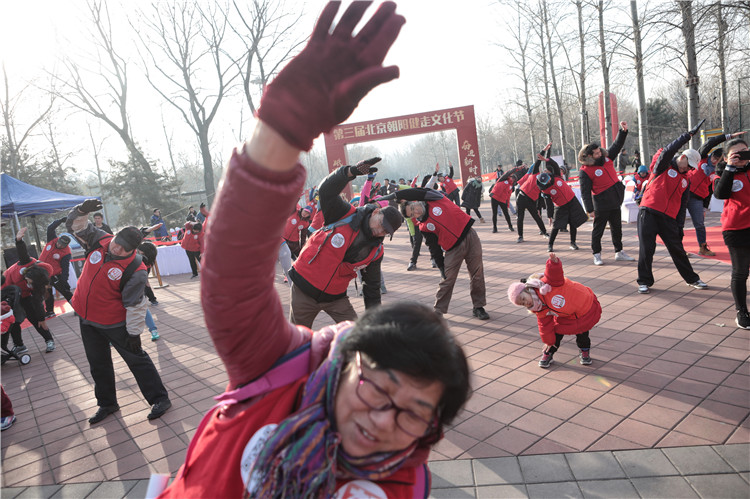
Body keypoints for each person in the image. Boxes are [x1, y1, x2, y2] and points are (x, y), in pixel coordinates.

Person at [154, 3, 470, 497]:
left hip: (337, 299)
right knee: (297, 320)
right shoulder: (276, 369)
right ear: (350, 363)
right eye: (378, 388)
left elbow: (371, 294)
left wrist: (376, 318)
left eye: (413, 414)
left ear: (432, 429)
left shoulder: (401, 485)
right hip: (304, 287)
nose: (381, 421)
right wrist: (284, 129)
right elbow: (234, 278)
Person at [66, 199, 171, 423]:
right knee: (98, 363)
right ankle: (107, 403)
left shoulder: (136, 270)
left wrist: (133, 334)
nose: (116, 248)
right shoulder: (101, 240)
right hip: (87, 318)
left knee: (137, 359)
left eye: (123, 248)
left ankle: (159, 399)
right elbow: (76, 226)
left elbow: (135, 305)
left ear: (133, 249)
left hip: (114, 323)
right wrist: (82, 210)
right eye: (116, 242)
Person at [288, 157, 403, 329]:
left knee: (357, 337)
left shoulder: (376, 251)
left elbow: (371, 288)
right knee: (296, 342)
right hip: (303, 290)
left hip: (336, 298)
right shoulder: (345, 214)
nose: (381, 231)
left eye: (386, 232)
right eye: (381, 224)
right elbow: (325, 191)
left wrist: (374, 322)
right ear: (376, 212)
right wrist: (349, 172)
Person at [395, 187, 490, 320]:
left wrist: (398, 194)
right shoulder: (424, 226)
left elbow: (419, 191)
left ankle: (478, 307)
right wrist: (440, 266)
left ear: (414, 202)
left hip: (470, 236)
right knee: (447, 278)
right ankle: (438, 311)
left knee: (477, 273)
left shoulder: (434, 199)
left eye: (413, 207)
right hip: (453, 249)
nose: (416, 211)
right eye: (412, 214)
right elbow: (434, 248)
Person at [636, 122, 709, 294]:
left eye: (692, 168)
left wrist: (680, 226)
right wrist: (687, 136)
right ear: (682, 157)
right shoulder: (664, 165)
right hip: (649, 212)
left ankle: (692, 279)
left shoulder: (686, 179)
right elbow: (669, 150)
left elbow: (682, 205)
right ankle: (644, 281)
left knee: (678, 250)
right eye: (688, 165)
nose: (689, 169)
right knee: (647, 248)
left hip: (668, 218)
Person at [507, 253, 601, 368]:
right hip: (567, 314)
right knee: (555, 332)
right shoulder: (539, 309)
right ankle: (548, 353)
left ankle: (584, 351)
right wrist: (548, 341)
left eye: (523, 299)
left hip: (583, 305)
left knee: (582, 333)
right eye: (522, 304)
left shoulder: (547, 284)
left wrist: (553, 263)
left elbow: (554, 274)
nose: (525, 303)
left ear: (527, 290)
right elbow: (545, 326)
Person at [578, 121, 635, 265]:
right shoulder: (585, 170)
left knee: (617, 228)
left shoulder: (608, 158)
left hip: (615, 199)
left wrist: (623, 131)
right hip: (601, 203)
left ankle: (619, 252)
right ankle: (596, 254)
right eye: (596, 153)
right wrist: (589, 209)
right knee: (599, 231)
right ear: (590, 156)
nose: (599, 154)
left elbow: (617, 145)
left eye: (599, 151)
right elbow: (585, 192)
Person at [688, 131, 746, 256]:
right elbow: (709, 143)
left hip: (698, 198)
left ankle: (703, 247)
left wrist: (705, 205)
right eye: (713, 157)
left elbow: (711, 189)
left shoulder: (718, 170)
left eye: (717, 159)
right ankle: (679, 249)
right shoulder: (702, 158)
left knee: (699, 223)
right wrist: (727, 136)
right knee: (677, 223)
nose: (713, 160)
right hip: (684, 193)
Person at [713, 138, 750, 329]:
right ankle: (741, 311)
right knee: (741, 271)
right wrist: (730, 168)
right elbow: (720, 194)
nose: (742, 156)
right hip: (736, 229)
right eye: (736, 154)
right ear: (727, 157)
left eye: (745, 151)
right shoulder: (722, 173)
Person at [2, 228, 56, 352]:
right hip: (8, 291)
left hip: (24, 295)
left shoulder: (38, 284)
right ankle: (19, 345)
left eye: (30, 283)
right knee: (12, 320)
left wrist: (42, 318)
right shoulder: (27, 262)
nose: (27, 282)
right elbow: (22, 252)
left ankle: (49, 340)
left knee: (35, 318)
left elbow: (38, 303)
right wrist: (19, 240)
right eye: (28, 280)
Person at [536, 155, 587, 252]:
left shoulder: (556, 175)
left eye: (548, 178)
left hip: (572, 201)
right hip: (560, 206)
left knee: (573, 223)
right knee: (556, 226)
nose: (549, 181)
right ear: (543, 184)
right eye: (547, 181)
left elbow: (554, 164)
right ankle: (550, 245)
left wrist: (546, 159)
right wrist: (549, 216)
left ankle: (573, 243)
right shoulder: (545, 190)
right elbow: (549, 203)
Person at [39, 217, 73, 318]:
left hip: (55, 274)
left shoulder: (66, 253)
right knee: (47, 292)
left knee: (65, 291)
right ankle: (50, 311)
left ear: (66, 245)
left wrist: (64, 279)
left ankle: (78, 307)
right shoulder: (52, 239)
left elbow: (65, 267)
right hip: (43, 273)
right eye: (59, 243)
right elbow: (50, 228)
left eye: (62, 245)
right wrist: (60, 221)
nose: (59, 245)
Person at [514, 146, 550, 243]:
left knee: (536, 216)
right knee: (520, 217)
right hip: (521, 196)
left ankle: (544, 232)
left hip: (531, 201)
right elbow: (538, 161)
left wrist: (538, 208)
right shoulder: (535, 173)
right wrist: (544, 150)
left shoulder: (542, 186)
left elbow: (539, 197)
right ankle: (520, 236)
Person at [137, 242, 161, 340]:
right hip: (125, 288)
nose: (138, 252)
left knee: (143, 308)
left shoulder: (144, 262)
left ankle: (153, 330)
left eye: (140, 252)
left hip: (136, 289)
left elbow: (144, 278)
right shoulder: (134, 256)